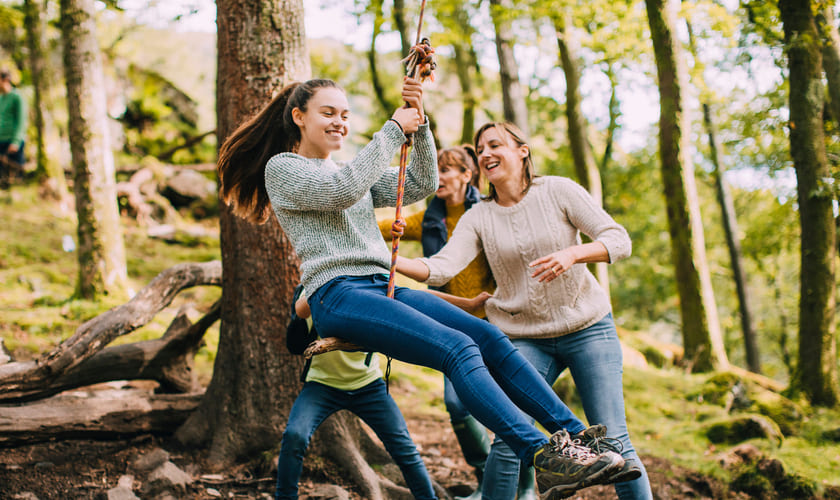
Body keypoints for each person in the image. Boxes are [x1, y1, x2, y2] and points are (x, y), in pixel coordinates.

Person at [216, 77, 628, 500]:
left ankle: (580, 439)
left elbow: (420, 183)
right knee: (456, 348)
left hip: (383, 286)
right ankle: (541, 455)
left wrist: (421, 120)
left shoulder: (345, 170)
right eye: (328, 113)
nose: (339, 122)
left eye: (344, 114)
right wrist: (393, 129)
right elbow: (340, 193)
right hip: (338, 292)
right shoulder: (284, 169)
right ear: (299, 117)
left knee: (486, 336)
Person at [393, 121, 653, 500]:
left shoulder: (559, 191)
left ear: (522, 150)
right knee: (508, 440)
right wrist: (389, 260)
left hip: (587, 328)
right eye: (481, 149)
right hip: (525, 337)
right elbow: (442, 267)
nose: (485, 154)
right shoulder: (479, 216)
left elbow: (618, 240)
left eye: (495, 144)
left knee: (613, 438)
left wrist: (573, 253)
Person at [378, 145, 536, 500]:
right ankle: (486, 477)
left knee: (510, 404)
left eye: (448, 170)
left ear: (467, 175)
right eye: (438, 170)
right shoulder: (429, 218)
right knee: (457, 404)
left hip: (502, 322)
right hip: (455, 326)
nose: (440, 177)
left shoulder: (488, 213)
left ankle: (526, 487)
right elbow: (377, 230)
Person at [276, 285, 437, 499]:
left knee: (404, 447)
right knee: (294, 435)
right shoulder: (311, 290)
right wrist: (316, 288)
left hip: (368, 385)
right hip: (322, 385)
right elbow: (296, 334)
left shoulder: (368, 288)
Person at [0, 69, 26, 187]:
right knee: (3, 177)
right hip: (1, 140)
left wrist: (16, 141)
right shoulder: (1, 98)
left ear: (5, 80)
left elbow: (21, 120)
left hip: (13, 141)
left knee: (16, 176)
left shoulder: (17, 97)